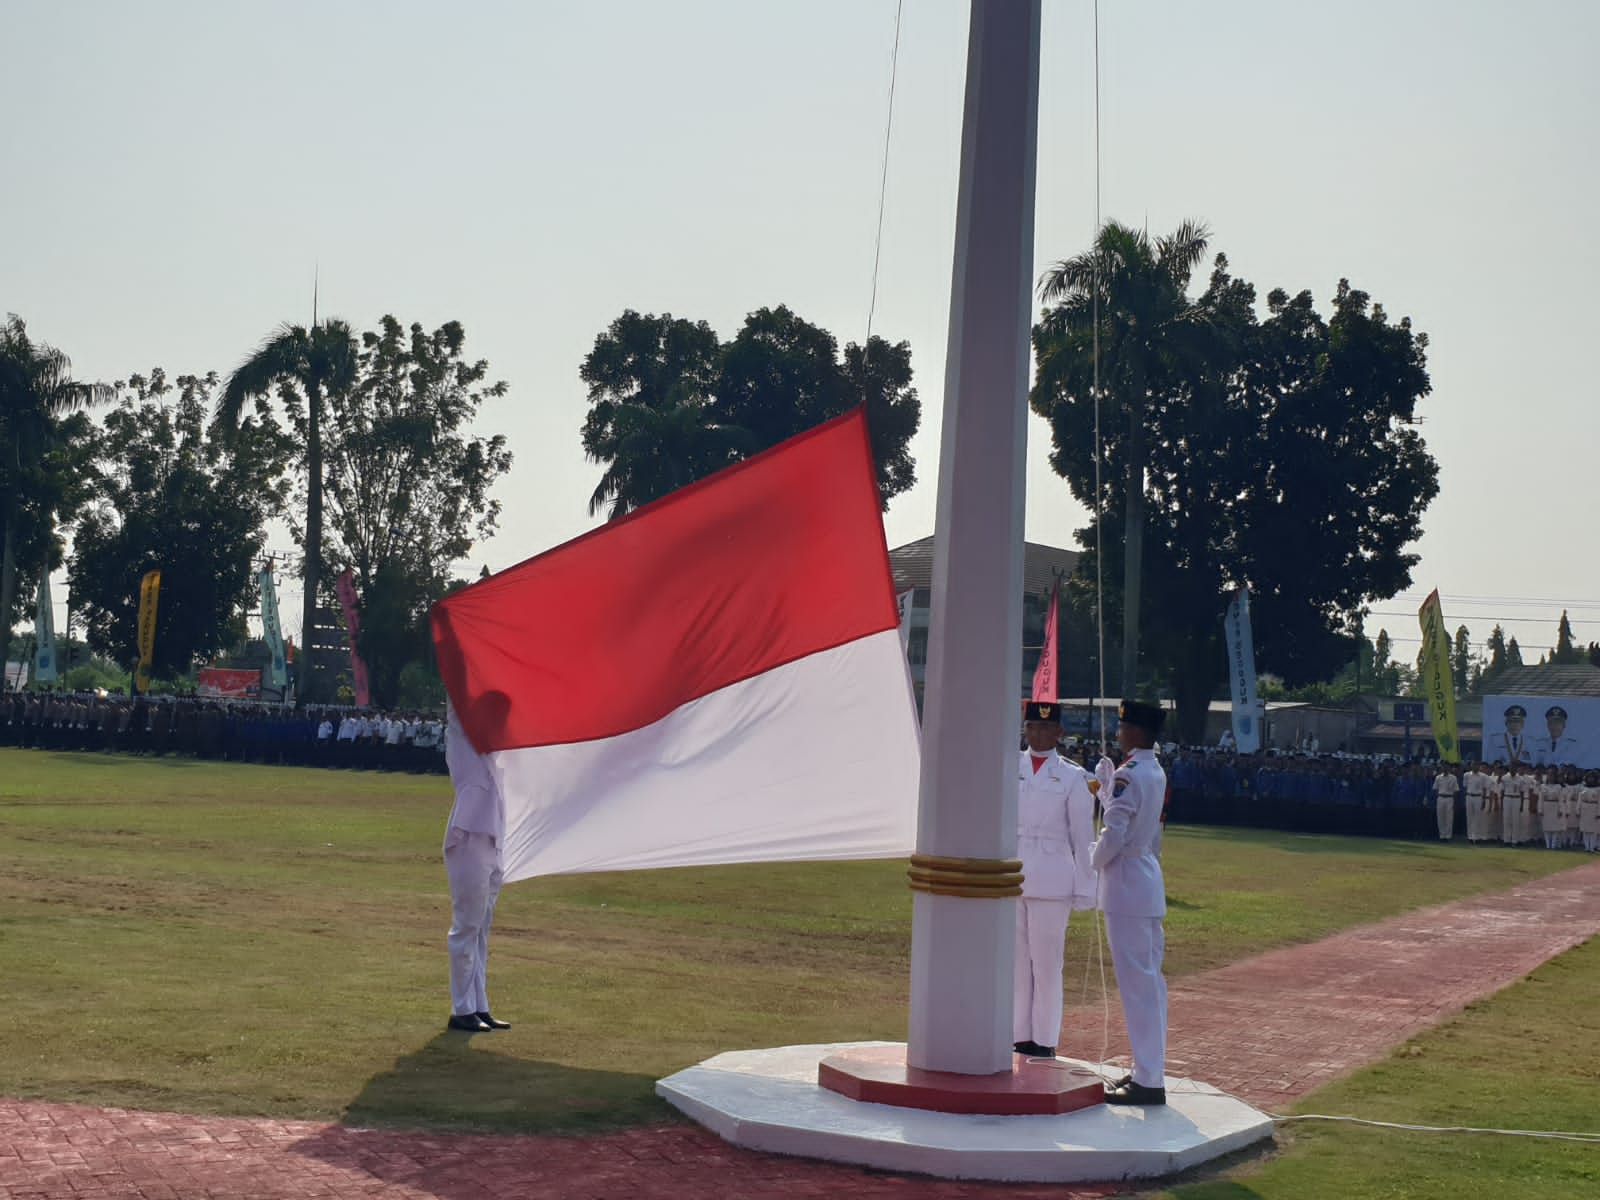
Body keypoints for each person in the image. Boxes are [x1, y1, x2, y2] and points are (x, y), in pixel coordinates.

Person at [1091, 698, 1170, 1106]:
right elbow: (1131, 819)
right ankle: (1147, 1071)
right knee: (1149, 983)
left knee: (1138, 985)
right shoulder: (1152, 769)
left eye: (1124, 727)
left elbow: (1115, 835)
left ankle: (1149, 1080)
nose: (1119, 732)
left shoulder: (1129, 773)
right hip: (1145, 880)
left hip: (1125, 883)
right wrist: (1108, 792)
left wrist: (1092, 859)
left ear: (1136, 731)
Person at [1012, 700, 1097, 1059]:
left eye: (1047, 728)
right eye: (1033, 727)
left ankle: (1044, 1039)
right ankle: (1018, 1034)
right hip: (1012, 873)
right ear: (1025, 728)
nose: (1039, 733)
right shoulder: (1009, 765)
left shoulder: (1073, 776)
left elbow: (1082, 837)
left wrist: (1085, 885)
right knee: (1016, 964)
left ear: (1060, 733)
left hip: (1052, 876)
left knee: (1047, 965)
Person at [443, 699, 510, 1033]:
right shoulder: (465, 753)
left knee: (481, 930)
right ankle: (461, 1009)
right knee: (466, 927)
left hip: (493, 843)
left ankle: (479, 1006)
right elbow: (456, 710)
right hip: (468, 840)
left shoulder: (495, 759)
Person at [1434, 764, 1460, 841]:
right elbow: (1435, 788)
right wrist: (1439, 796)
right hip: (1441, 798)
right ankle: (1442, 836)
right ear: (1441, 768)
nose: (1445, 768)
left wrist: (1454, 801)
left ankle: (1448, 836)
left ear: (1449, 768)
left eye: (1446, 766)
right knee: (1440, 817)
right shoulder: (1438, 777)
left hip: (1449, 798)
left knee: (1449, 818)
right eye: (1443, 766)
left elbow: (1456, 790)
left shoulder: (1453, 778)